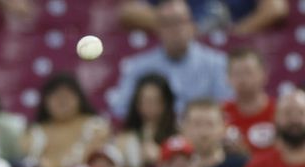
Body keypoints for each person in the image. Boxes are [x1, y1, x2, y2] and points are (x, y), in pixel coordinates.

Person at [110, 0, 233, 119]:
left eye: (180, 21)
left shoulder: (217, 63)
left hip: (200, 134)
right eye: (167, 23)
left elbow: (226, 106)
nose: (175, 29)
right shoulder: (138, 66)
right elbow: (121, 108)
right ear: (158, 29)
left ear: (192, 25)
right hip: (156, 136)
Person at [22, 72, 110, 167]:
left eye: (67, 96)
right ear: (45, 102)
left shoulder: (96, 127)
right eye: (56, 96)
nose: (62, 101)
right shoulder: (34, 133)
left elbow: (96, 161)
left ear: (79, 99)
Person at [181, 99, 247, 167]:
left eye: (210, 124)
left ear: (223, 128)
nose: (204, 132)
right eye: (197, 124)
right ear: (184, 128)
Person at [115, 73, 178, 167]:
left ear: (166, 103)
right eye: (145, 100)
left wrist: (161, 157)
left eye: (155, 100)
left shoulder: (179, 135)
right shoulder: (125, 138)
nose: (149, 106)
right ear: (137, 103)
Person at [118, 0, 288, 36]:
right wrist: (175, 24)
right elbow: (130, 11)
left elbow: (276, 7)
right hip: (183, 53)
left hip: (231, 55)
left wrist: (238, 32)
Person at [222, 47, 276, 155]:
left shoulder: (279, 112)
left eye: (248, 72)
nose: (243, 79)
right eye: (237, 73)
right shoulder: (220, 115)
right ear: (227, 78)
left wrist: (245, 153)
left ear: (264, 74)